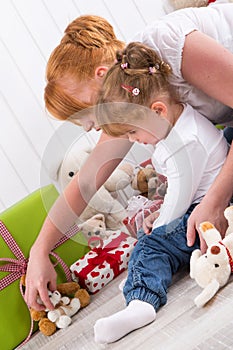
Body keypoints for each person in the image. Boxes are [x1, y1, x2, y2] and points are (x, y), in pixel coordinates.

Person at [26, 2, 233, 312]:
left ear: (100, 76)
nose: (91, 127)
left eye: (85, 114)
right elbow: (86, 181)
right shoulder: (129, 100)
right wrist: (39, 250)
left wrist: (215, 201)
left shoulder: (170, 45)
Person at [93, 41, 229, 343]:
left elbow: (182, 194)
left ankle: (141, 301)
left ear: (157, 111)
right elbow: (182, 188)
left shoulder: (183, 143)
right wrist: (162, 211)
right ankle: (146, 272)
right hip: (204, 197)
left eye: (132, 132)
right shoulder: (179, 124)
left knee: (150, 246)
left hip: (210, 208)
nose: (134, 140)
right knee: (151, 231)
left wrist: (161, 225)